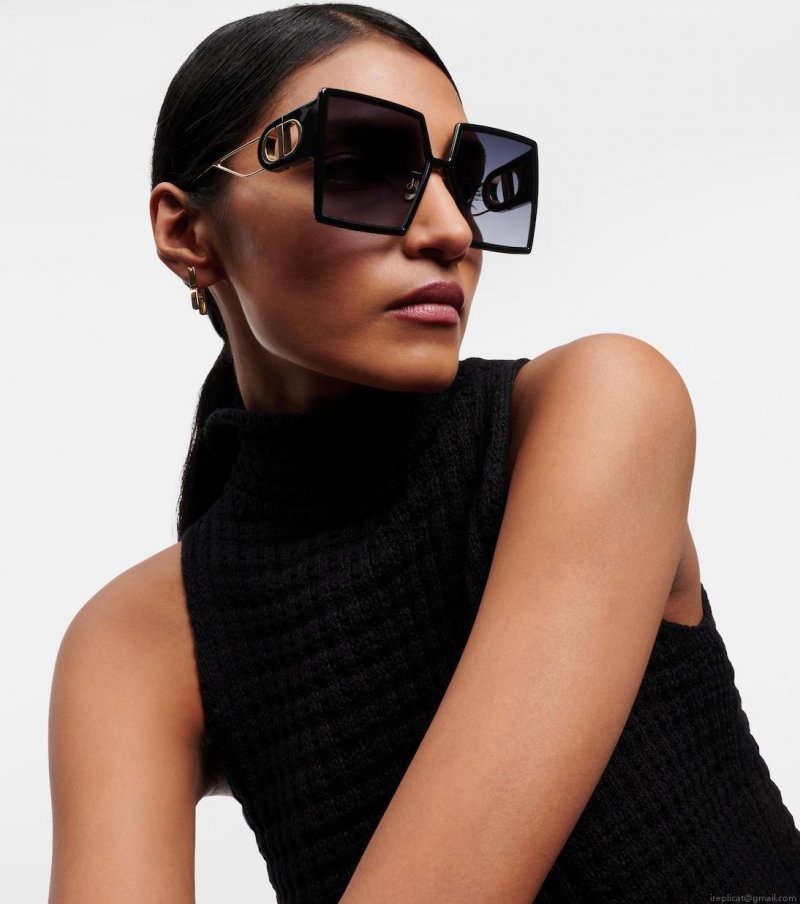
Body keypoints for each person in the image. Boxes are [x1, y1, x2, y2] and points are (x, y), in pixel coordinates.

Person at [47, 4, 800, 903]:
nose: (452, 230)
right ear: (187, 233)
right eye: (366, 166)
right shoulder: (136, 641)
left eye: (470, 179)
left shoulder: (599, 405)